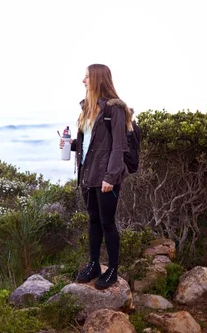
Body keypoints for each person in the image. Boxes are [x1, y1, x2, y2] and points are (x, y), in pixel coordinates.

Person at [59, 63, 133, 290]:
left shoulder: (115, 110)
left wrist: (111, 177)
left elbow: (119, 146)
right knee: (93, 221)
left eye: (86, 77)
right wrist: (71, 145)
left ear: (98, 79)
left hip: (105, 177)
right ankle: (93, 264)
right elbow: (90, 143)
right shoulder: (87, 108)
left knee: (107, 223)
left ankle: (112, 269)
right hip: (88, 174)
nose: (83, 81)